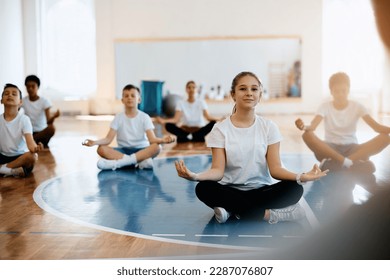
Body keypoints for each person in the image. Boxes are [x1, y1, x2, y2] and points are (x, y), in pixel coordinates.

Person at [174, 72, 328, 224]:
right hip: (230, 190)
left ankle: (232, 209)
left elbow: (276, 169)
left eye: (254, 89)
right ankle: (269, 215)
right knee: (203, 188)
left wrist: (301, 176)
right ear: (233, 95)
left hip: (261, 191)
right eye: (243, 89)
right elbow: (217, 171)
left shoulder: (269, 127)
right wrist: (195, 176)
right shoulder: (220, 129)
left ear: (260, 95)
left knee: (295, 188)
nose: (249, 93)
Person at [295, 72, 390, 172]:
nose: (340, 94)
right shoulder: (324, 106)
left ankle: (337, 163)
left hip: (352, 149)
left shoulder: (357, 106)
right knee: (307, 135)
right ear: (331, 92)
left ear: (348, 90)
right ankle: (350, 163)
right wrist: (303, 126)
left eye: (343, 91)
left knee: (385, 138)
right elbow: (312, 126)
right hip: (330, 149)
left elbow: (377, 127)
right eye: (337, 91)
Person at [83, 84, 175, 170]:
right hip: (123, 151)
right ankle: (139, 162)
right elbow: (108, 139)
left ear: (139, 99)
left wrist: (163, 140)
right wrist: (94, 142)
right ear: (122, 100)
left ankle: (118, 164)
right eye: (126, 96)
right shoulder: (118, 117)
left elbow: (152, 140)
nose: (129, 98)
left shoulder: (144, 117)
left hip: (142, 150)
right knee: (101, 149)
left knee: (157, 147)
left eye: (133, 95)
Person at [0, 83, 43, 177]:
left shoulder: (24, 120)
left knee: (32, 157)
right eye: (6, 93)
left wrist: (36, 148)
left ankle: (3, 169)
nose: (10, 95)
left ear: (20, 102)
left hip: (19, 157)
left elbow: (30, 143)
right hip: (2, 156)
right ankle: (11, 171)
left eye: (14, 94)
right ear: (1, 100)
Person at [156, 81, 220, 143]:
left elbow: (208, 117)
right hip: (185, 130)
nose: (191, 89)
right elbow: (175, 120)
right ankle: (190, 136)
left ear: (196, 89)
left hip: (198, 130)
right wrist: (163, 121)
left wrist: (219, 119)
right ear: (186, 90)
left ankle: (188, 137)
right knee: (168, 125)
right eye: (189, 87)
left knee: (213, 123)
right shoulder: (181, 103)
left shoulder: (201, 102)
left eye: (193, 87)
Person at [22, 75, 60, 148]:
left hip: (41, 132)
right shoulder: (23, 101)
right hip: (29, 132)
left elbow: (48, 121)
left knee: (51, 128)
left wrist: (54, 117)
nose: (30, 89)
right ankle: (33, 142)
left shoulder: (44, 101)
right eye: (28, 86)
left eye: (33, 86)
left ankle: (31, 141)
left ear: (38, 87)